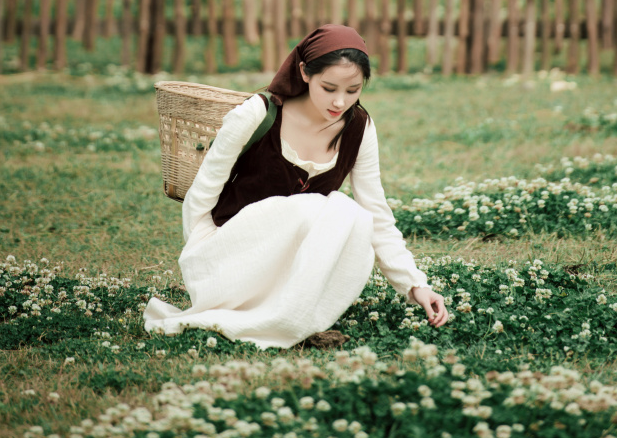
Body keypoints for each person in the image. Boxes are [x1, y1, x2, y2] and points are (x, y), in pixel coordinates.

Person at [144, 24, 448, 349]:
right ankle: (268, 311)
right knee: (320, 207)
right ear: (304, 72)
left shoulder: (359, 129)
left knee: (355, 216)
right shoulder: (257, 113)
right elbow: (201, 197)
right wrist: (200, 262)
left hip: (288, 269)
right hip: (230, 258)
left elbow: (377, 216)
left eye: (353, 89)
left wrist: (416, 285)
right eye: (328, 88)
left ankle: (293, 314)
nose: (340, 101)